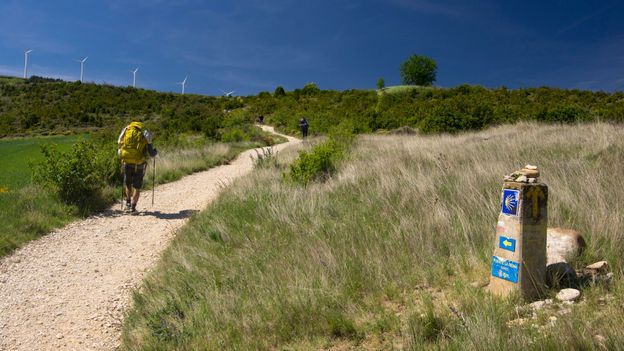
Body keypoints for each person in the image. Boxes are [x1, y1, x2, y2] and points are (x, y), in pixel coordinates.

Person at [118, 121, 157, 214]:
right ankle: (133, 208)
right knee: (137, 187)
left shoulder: (126, 132)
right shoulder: (144, 136)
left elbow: (119, 144)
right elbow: (151, 154)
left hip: (127, 162)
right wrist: (155, 151)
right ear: (140, 127)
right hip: (139, 165)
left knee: (128, 184)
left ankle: (127, 204)